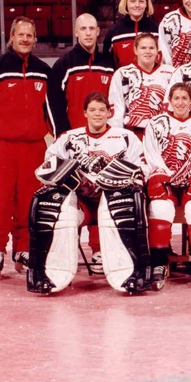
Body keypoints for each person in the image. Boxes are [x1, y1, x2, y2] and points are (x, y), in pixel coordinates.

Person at [27, 92, 149, 294]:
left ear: (109, 113)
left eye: (102, 110)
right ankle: (50, 273)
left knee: (126, 208)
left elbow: (142, 167)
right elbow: (48, 165)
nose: (97, 114)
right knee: (55, 213)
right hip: (80, 201)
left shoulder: (125, 137)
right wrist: (68, 171)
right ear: (85, 113)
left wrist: (117, 173)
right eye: (92, 110)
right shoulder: (69, 138)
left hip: (112, 200)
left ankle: (132, 273)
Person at [0, 16, 54, 277]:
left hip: (33, 146)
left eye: (30, 35)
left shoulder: (44, 70)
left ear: (35, 39)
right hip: (0, 146)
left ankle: (24, 248)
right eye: (21, 34)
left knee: (29, 199)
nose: (25, 39)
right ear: (12, 37)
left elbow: (50, 109)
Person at [142, 83, 191, 288]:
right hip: (168, 180)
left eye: (185, 98)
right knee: (159, 208)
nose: (180, 102)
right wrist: (163, 174)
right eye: (176, 98)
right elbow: (151, 154)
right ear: (170, 101)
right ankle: (158, 262)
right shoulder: (156, 123)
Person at [47, 12, 116, 135]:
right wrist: (62, 136)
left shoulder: (109, 64)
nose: (88, 33)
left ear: (98, 31)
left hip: (106, 137)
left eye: (92, 28)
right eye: (83, 29)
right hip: (75, 137)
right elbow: (54, 105)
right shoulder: (63, 65)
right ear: (76, 32)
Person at [108, 32, 174, 136]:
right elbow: (117, 110)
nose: (148, 52)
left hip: (163, 133)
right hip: (133, 132)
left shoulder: (170, 73)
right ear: (135, 50)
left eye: (151, 48)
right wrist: (117, 138)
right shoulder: (122, 74)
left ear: (157, 51)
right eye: (143, 48)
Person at [103, 0, 160, 68]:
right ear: (126, 3)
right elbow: (107, 63)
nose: (137, 5)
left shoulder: (157, 29)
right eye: (132, 1)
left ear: (146, 4)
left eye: (141, 1)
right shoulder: (114, 32)